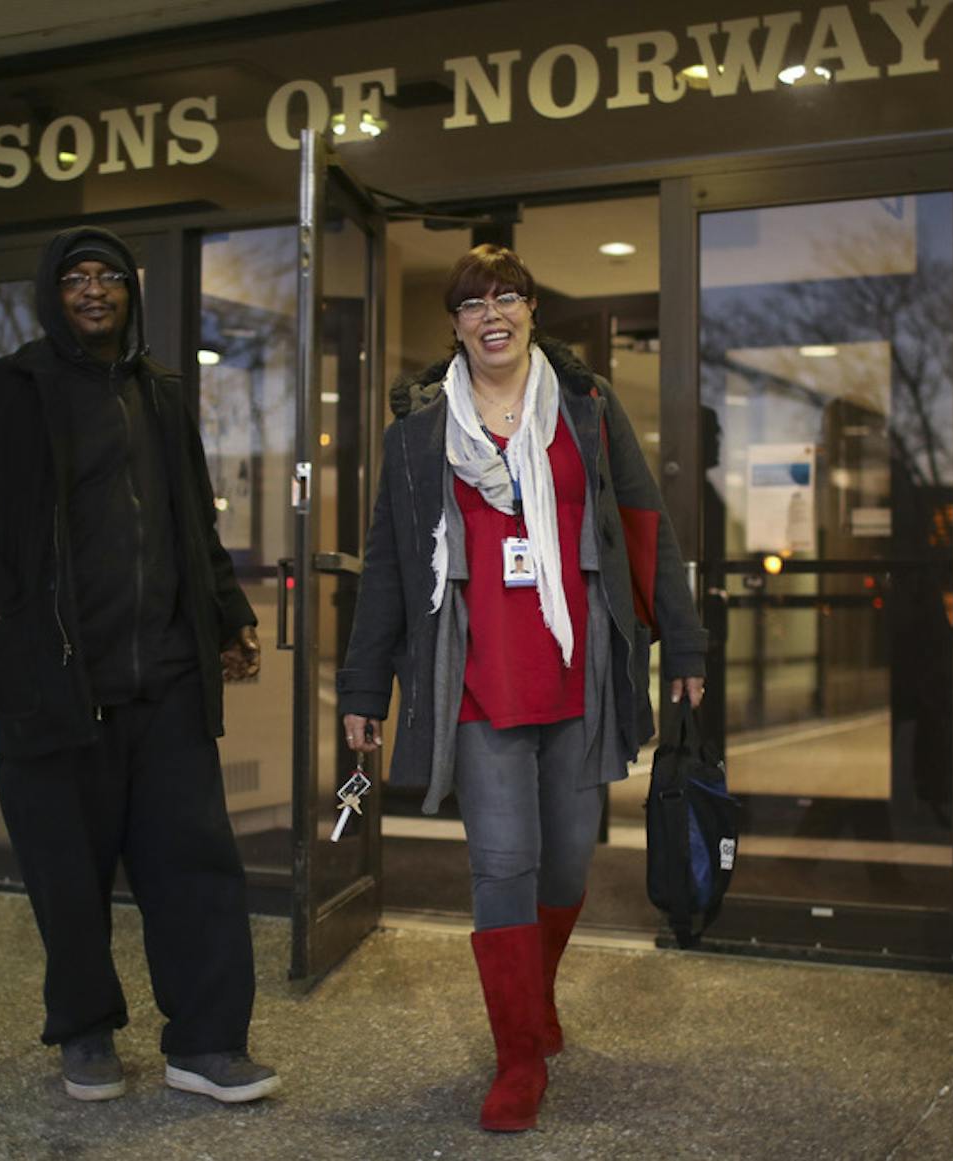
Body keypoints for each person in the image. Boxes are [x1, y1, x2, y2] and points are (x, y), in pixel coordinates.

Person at [338, 245, 706, 1132]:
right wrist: (364, 686)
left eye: (508, 297)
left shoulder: (585, 406)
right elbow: (389, 566)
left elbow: (645, 523)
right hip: (477, 679)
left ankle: (531, 997)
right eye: (472, 304)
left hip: (579, 671)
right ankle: (516, 1056)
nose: (491, 314)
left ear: (533, 310)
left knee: (571, 856)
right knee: (503, 862)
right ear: (456, 324)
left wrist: (685, 639)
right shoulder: (418, 434)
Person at [0, 226, 278, 1106]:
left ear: (129, 292)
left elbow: (193, 523)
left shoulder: (160, 396)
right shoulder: (4, 395)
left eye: (107, 275)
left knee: (196, 867)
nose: (92, 289)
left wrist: (227, 615)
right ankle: (85, 1032)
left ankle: (208, 1043)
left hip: (166, 685)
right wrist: (7, 624)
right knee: (68, 878)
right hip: (53, 687)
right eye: (74, 276)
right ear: (52, 293)